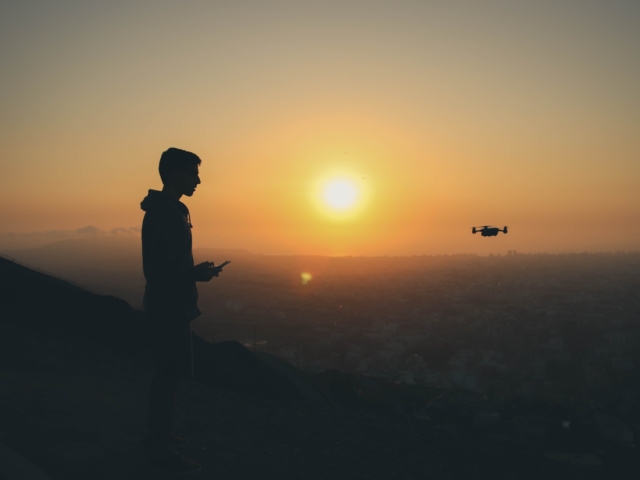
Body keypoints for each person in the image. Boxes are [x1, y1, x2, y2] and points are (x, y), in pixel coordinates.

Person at [140, 147, 224, 475]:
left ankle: (160, 437)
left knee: (168, 376)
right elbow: (158, 269)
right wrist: (196, 274)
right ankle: (159, 449)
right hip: (168, 307)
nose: (199, 180)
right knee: (168, 377)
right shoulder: (165, 213)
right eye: (192, 173)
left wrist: (194, 272)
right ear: (174, 173)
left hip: (171, 305)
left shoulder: (171, 210)